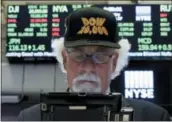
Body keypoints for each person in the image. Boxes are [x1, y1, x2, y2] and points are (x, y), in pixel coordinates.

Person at [18, 7, 171, 121]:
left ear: (114, 62)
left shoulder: (152, 118)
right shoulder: (31, 119)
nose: (88, 67)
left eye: (101, 55)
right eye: (78, 55)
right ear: (65, 60)